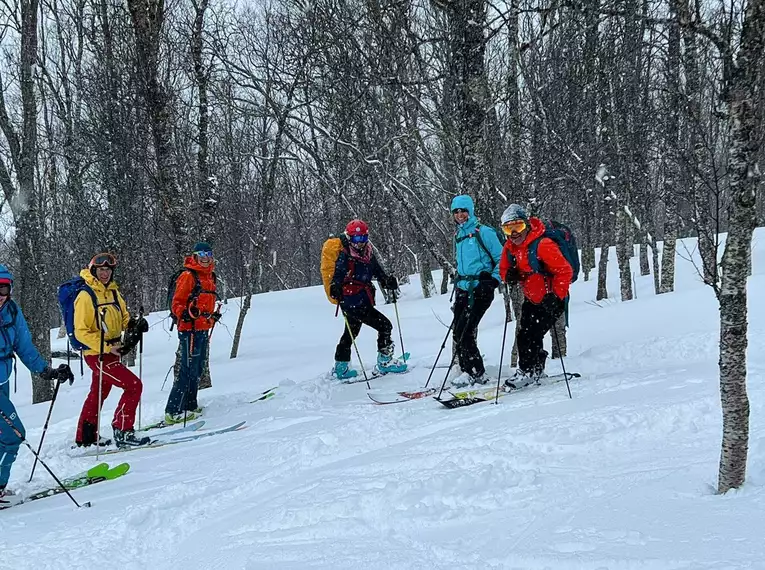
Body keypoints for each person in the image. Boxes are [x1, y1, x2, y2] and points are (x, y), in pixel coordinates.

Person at [0, 265, 74, 503]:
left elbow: (23, 346)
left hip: (3, 380)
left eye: (3, 288)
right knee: (14, 434)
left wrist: (46, 371)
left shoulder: (11, 311)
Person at [74, 253, 150, 448]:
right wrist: (106, 346)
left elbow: (123, 318)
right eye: (101, 270)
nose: (105, 273)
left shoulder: (113, 292)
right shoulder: (86, 295)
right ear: (94, 271)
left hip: (112, 350)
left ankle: (86, 436)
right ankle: (122, 429)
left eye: (108, 269)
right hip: (97, 353)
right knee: (134, 385)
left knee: (98, 392)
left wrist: (135, 324)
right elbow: (81, 332)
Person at [498, 204, 573, 387]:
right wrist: (508, 275)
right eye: (509, 228)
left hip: (551, 299)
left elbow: (565, 271)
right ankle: (535, 369)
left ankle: (527, 370)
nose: (514, 233)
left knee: (530, 335)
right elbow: (503, 269)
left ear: (526, 225)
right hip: (531, 298)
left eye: (518, 226)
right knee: (527, 334)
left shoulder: (543, 244)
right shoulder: (510, 248)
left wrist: (556, 296)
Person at [327, 220, 405, 380]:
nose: (360, 243)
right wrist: (335, 287)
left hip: (361, 300)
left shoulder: (368, 253)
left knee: (350, 332)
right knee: (385, 326)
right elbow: (338, 275)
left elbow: (378, 272)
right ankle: (385, 361)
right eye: (356, 239)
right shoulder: (345, 256)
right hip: (352, 301)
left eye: (363, 238)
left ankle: (341, 366)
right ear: (349, 239)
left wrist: (387, 281)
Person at [449, 195, 504, 387]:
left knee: (466, 331)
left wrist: (493, 280)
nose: (460, 215)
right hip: (463, 290)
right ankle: (467, 371)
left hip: (481, 289)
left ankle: (476, 373)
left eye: (463, 210)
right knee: (458, 333)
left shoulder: (484, 232)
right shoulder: (459, 235)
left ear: (470, 211)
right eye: (456, 212)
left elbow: (502, 259)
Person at [165, 242, 219, 424]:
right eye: (202, 255)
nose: (205, 259)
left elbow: (206, 303)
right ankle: (173, 411)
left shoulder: (210, 276)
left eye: (208, 255)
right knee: (187, 370)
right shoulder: (188, 275)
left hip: (203, 328)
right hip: (190, 330)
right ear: (195, 256)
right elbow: (177, 302)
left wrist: (212, 317)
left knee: (197, 369)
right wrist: (186, 314)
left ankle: (190, 405)